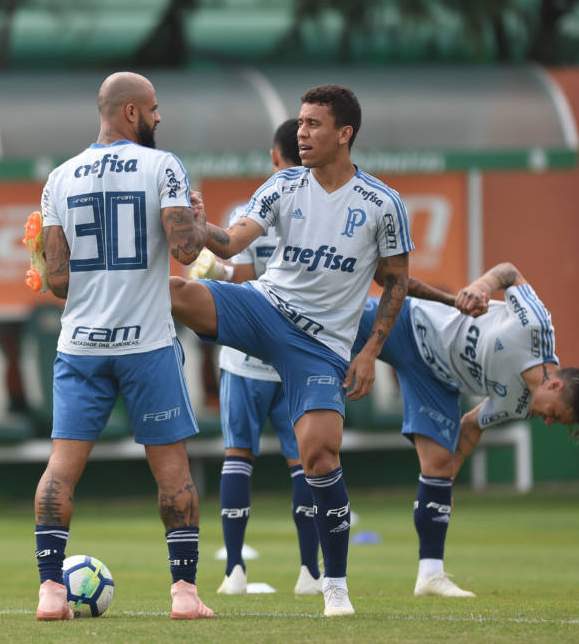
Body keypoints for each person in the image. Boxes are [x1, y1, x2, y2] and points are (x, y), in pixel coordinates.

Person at [170, 84, 414, 616]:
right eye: (300, 123)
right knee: (173, 293)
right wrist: (199, 225)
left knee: (319, 454)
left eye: (314, 124)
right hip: (264, 308)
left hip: (321, 346)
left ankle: (334, 586)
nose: (301, 133)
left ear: (344, 134)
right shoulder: (282, 185)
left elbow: (395, 283)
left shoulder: (381, 204)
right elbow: (231, 244)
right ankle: (113, 323)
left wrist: (370, 351)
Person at [30, 72, 213, 621]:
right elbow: (185, 250)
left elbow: (57, 281)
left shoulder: (58, 178)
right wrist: (198, 223)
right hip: (147, 343)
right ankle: (184, 595)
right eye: (154, 109)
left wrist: (42, 256)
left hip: (81, 345)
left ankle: (50, 592)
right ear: (131, 113)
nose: (159, 118)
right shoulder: (165, 165)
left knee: (60, 468)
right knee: (173, 470)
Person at [351, 261, 579, 597]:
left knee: (438, 467)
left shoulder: (519, 405)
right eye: (555, 416)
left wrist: (448, 484)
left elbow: (472, 425)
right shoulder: (536, 328)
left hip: (436, 382)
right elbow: (510, 272)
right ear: (556, 387)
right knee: (331, 316)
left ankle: (430, 576)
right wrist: (481, 288)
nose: (546, 422)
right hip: (413, 324)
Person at [189, 119, 323, 597]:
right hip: (296, 357)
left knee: (237, 456)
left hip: (246, 360)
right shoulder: (318, 213)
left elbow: (244, 288)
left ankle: (235, 574)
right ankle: (311, 572)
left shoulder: (252, 210)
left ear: (273, 157)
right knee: (303, 462)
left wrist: (215, 270)